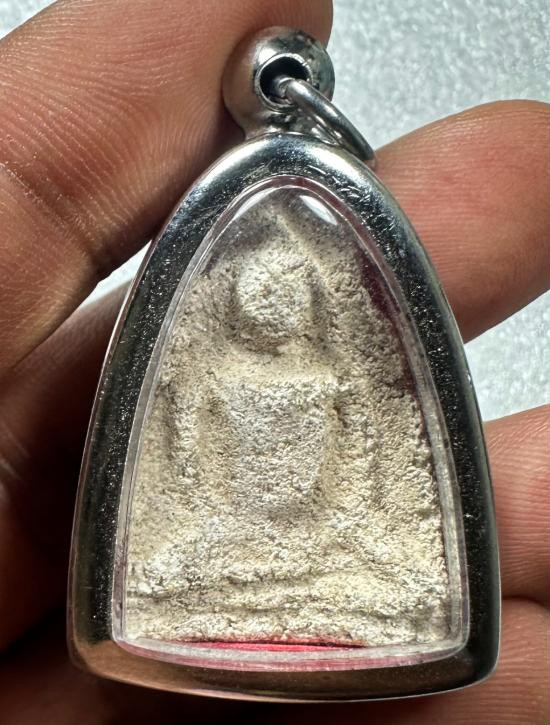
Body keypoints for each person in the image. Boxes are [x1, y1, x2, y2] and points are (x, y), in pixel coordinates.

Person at [0, 1, 548, 723]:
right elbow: (186, 467)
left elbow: (369, 469)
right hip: (226, 537)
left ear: (313, 303)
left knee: (382, 576)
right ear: (231, 304)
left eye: (288, 296)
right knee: (172, 572)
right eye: (258, 297)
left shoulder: (335, 379)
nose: (272, 310)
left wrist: (354, 525)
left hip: (326, 537)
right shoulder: (211, 379)